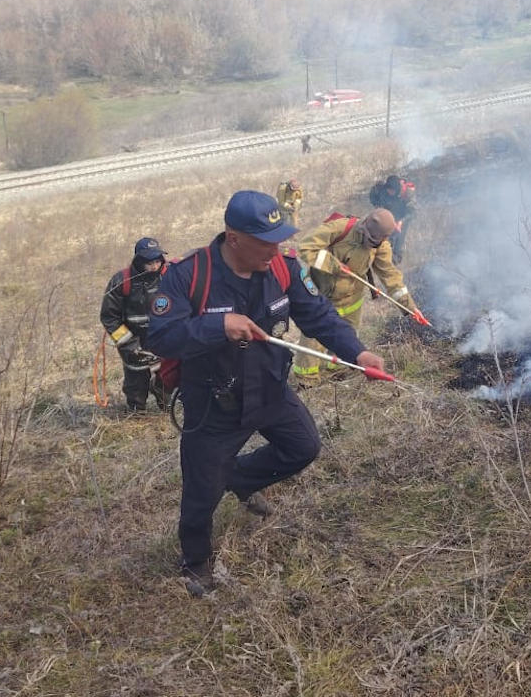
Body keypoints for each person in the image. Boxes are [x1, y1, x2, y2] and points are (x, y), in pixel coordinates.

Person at [146, 190, 385, 592]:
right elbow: (161, 336)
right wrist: (218, 326)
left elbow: (319, 316)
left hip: (270, 386)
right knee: (202, 490)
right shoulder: (188, 275)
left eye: (278, 240)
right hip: (214, 402)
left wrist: (358, 353)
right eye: (265, 242)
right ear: (234, 238)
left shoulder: (283, 268)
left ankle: (238, 478)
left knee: (303, 447)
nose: (275, 250)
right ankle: (196, 561)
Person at [291, 208, 418, 386]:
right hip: (323, 296)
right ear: (363, 227)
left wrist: (409, 307)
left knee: (347, 335)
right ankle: (307, 380)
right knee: (314, 338)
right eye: (371, 241)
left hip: (352, 299)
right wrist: (334, 265)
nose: (371, 246)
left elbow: (390, 276)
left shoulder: (381, 246)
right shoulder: (339, 228)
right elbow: (305, 246)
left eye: (377, 243)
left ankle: (337, 368)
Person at [100, 237, 168, 412]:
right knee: (136, 381)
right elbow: (109, 318)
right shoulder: (121, 281)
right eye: (149, 263)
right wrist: (128, 344)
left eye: (157, 261)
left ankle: (167, 406)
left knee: (169, 376)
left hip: (163, 338)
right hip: (133, 340)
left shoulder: (170, 277)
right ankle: (137, 412)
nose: (155, 266)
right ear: (139, 261)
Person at [368, 174, 417, 263]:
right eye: (388, 190)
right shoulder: (381, 189)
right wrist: (377, 205)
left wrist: (401, 222)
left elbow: (412, 212)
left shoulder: (407, 193)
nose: (389, 192)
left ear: (397, 189)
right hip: (387, 213)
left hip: (401, 217)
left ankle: (395, 259)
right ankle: (379, 256)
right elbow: (373, 195)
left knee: (398, 240)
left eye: (392, 191)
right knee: (382, 236)